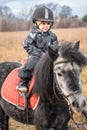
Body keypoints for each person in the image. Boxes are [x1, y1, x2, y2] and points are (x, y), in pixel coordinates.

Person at [17, 6, 58, 93]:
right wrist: (40, 53)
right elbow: (27, 45)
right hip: (36, 56)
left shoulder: (52, 35)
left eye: (48, 23)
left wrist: (56, 53)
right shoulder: (33, 34)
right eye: (43, 23)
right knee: (31, 63)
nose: (46, 26)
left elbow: (56, 46)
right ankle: (23, 81)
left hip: (50, 57)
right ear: (36, 23)